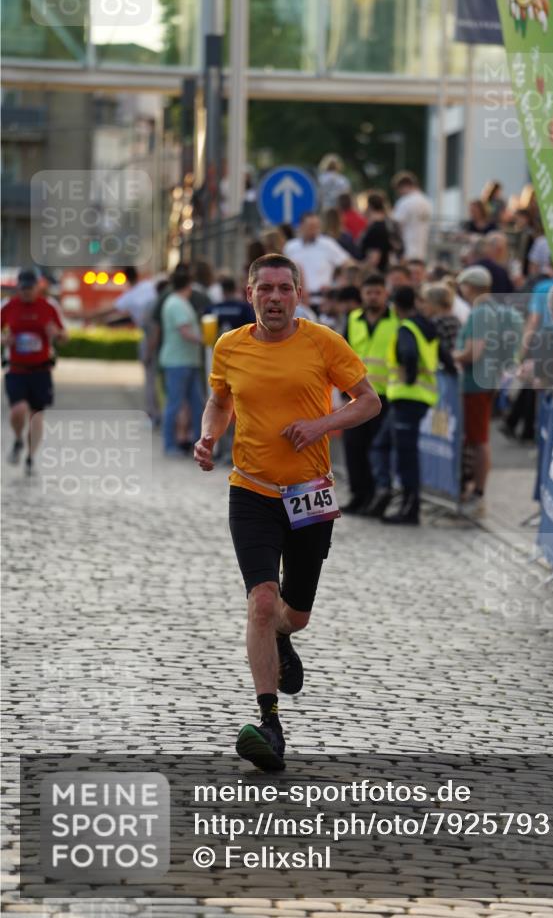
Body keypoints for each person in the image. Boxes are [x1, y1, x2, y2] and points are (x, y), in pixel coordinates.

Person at [194, 253, 380, 771]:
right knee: (261, 600)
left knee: (294, 614)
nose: (274, 298)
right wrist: (209, 436)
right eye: (265, 289)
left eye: (284, 289)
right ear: (249, 294)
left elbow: (369, 401)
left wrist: (321, 425)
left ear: (299, 294)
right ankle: (269, 722)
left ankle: (283, 635)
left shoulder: (324, 342)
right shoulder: (230, 346)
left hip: (309, 492)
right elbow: (220, 402)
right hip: (251, 490)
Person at [368, 285, 439, 525]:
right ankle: (387, 491)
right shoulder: (425, 326)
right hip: (415, 399)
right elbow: (444, 356)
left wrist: (409, 379)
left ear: (395, 306)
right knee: (382, 444)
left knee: (406, 456)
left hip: (407, 397)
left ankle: (410, 508)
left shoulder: (407, 328)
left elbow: (409, 354)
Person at [1, 268, 67, 473]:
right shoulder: (8, 306)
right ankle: (18, 439)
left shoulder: (49, 306)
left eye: (30, 288)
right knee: (18, 410)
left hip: (41, 370)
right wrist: (4, 339)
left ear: (37, 287)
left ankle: (30, 457)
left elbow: (64, 337)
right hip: (16, 369)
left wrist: (57, 334)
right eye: (23, 289)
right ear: (18, 288)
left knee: (36, 416)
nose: (26, 292)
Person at [342, 274, 398, 513]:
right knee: (353, 447)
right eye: (369, 292)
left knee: (377, 449)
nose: (373, 297)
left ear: (386, 294)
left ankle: (377, 497)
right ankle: (358, 495)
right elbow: (342, 353)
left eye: (378, 292)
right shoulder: (353, 318)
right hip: (356, 395)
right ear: (362, 295)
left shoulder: (397, 320)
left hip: (386, 396)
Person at [85, 265, 159, 424]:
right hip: (161, 333)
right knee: (158, 378)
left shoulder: (130, 296)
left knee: (150, 378)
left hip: (149, 335)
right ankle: (158, 413)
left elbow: (111, 309)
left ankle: (153, 415)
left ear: (126, 278)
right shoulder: (148, 285)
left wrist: (88, 315)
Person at [453, 266, 498, 517]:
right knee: (476, 438)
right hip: (480, 383)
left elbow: (474, 352)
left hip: (476, 384)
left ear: (468, 286)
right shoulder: (489, 309)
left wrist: (453, 356)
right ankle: (475, 490)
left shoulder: (481, 312)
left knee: (479, 439)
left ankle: (478, 493)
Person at [159, 266, 206, 457]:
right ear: (189, 284)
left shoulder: (178, 302)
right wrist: (205, 340)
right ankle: (170, 444)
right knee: (175, 404)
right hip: (178, 361)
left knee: (197, 404)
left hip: (186, 360)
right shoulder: (176, 304)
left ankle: (198, 443)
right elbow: (185, 331)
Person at [283, 212, 350, 310]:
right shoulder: (290, 247)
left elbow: (348, 264)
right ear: (301, 226)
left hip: (324, 301)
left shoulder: (327, 244)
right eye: (311, 227)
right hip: (299, 302)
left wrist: (336, 284)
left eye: (316, 227)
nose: (314, 230)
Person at [392, 171, 433, 262]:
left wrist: (397, 249)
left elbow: (395, 226)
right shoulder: (426, 201)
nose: (399, 193)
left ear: (404, 186)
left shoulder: (405, 201)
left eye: (398, 190)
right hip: (422, 250)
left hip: (406, 251)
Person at [359, 192, 398, 271]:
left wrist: (360, 269)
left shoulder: (376, 228)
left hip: (376, 272)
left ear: (369, 207)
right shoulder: (388, 223)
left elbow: (374, 258)